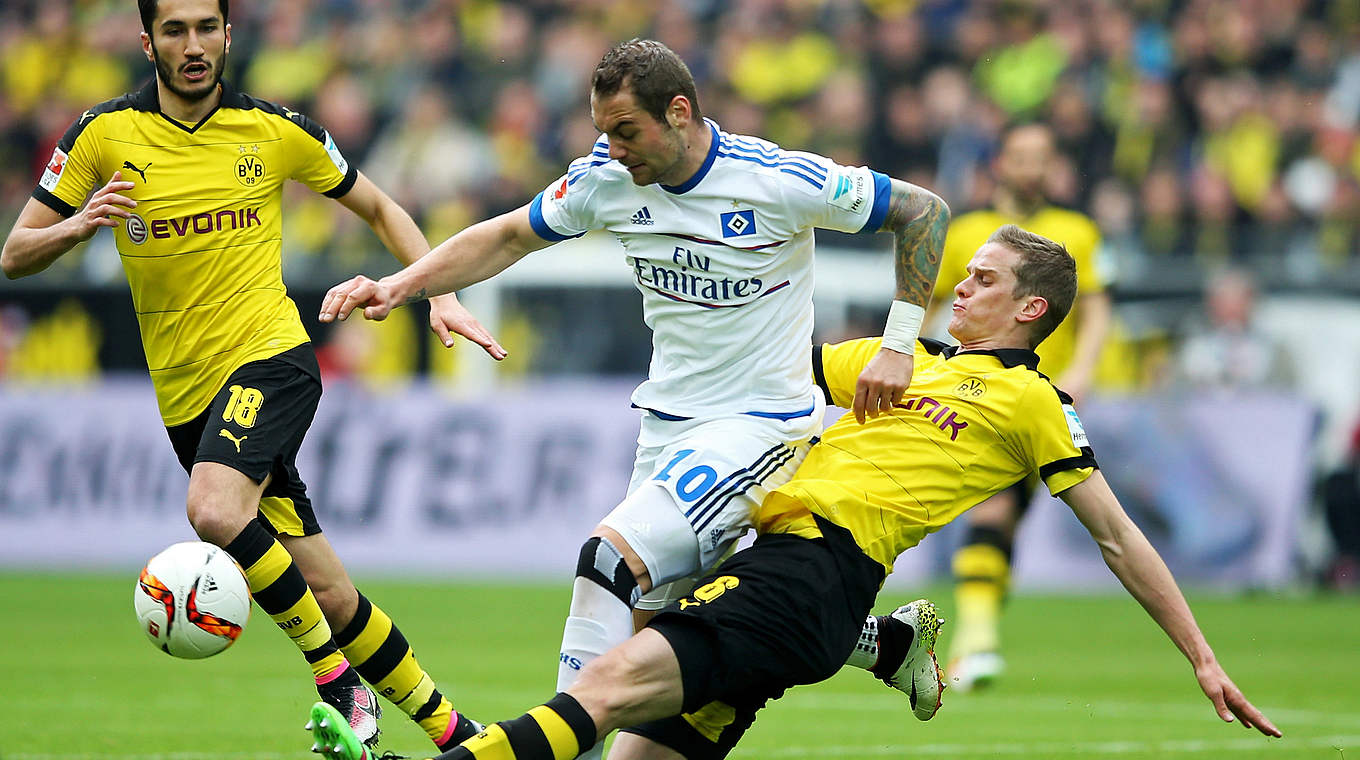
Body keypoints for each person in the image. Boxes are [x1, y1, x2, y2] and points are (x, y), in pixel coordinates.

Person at [305, 224, 1281, 760]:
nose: (959, 286)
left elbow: (1116, 537)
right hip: (782, 575)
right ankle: (886, 644)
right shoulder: (891, 358)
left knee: (599, 689)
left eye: (982, 279)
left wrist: (1200, 657)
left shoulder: (1032, 402)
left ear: (1029, 308)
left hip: (810, 573)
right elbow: (762, 381)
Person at [313, 38, 951, 757]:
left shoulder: (774, 179)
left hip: (761, 428)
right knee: (670, 647)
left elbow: (923, 212)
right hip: (667, 431)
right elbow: (510, 235)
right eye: (603, 132)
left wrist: (899, 344)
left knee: (607, 563)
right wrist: (402, 285)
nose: (613, 149)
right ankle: (884, 643)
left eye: (626, 131)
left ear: (679, 112)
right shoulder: (607, 179)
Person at [0, 0, 505, 752]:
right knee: (330, 594)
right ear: (148, 42)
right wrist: (76, 226)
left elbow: (378, 204)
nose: (194, 45)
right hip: (187, 400)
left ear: (229, 35)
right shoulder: (103, 135)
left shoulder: (275, 128)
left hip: (272, 357)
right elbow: (15, 253)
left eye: (207, 27)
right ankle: (461, 736)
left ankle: (335, 679)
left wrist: (440, 291)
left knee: (211, 507)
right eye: (175, 30)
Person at [925, 121, 1113, 691]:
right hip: (975, 389)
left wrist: (1082, 371)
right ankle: (975, 643)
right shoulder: (968, 232)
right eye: (1020, 156)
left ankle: (972, 641)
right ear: (999, 163)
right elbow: (937, 304)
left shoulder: (1076, 232)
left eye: (1041, 157)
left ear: (1053, 166)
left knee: (1000, 516)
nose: (1030, 167)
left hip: (1040, 395)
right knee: (994, 512)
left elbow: (1099, 309)